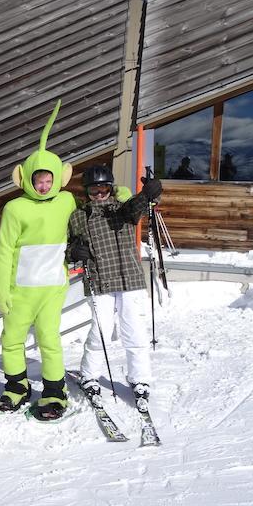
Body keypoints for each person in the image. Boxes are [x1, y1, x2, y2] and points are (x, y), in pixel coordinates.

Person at [0, 100, 77, 421]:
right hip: (20, 290)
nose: (43, 185)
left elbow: (97, 210)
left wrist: (127, 197)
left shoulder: (67, 201)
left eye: (48, 179)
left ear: (58, 178)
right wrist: (2, 290)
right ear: (26, 178)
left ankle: (55, 390)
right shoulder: (15, 208)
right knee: (12, 339)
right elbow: (3, 251)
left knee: (49, 339)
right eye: (38, 179)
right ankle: (17, 387)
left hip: (52, 288)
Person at [67, 164, 163, 413]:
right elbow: (70, 247)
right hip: (100, 282)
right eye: (93, 190)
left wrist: (149, 193)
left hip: (129, 280)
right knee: (100, 332)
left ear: (111, 188)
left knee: (134, 332)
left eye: (103, 188)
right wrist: (74, 252)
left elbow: (137, 208)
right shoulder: (79, 216)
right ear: (86, 192)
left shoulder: (123, 209)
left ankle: (140, 378)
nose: (99, 194)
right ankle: (89, 376)